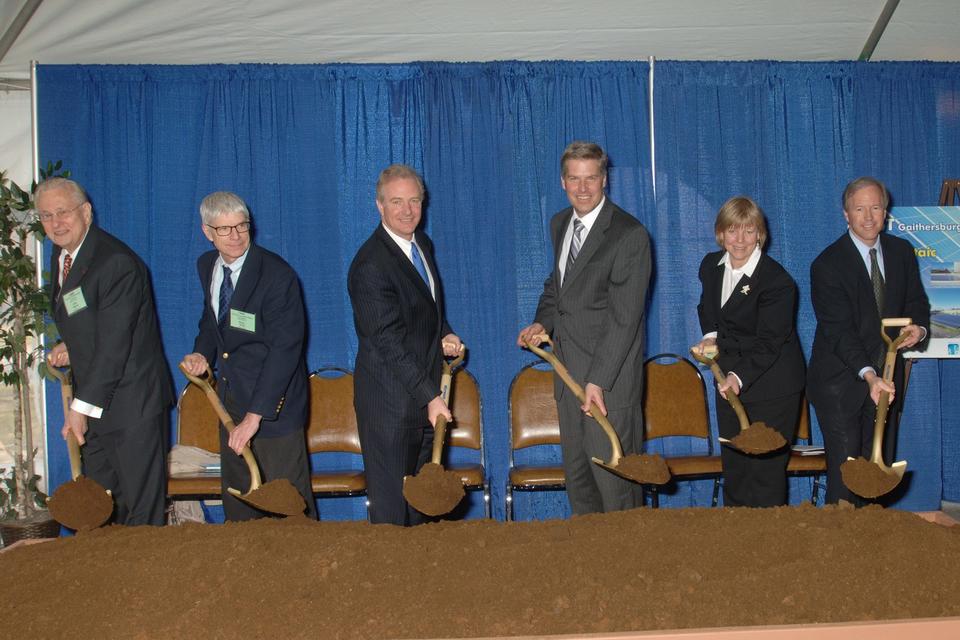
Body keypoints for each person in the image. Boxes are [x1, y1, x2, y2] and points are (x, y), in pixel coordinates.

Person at [517, 141, 651, 515]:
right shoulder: (560, 223)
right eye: (574, 179)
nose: (583, 188)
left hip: (606, 387)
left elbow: (625, 320)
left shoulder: (629, 235)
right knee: (581, 487)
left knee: (616, 491)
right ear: (562, 182)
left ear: (604, 179)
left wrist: (597, 381)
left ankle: (628, 571)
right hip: (567, 381)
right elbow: (558, 286)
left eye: (591, 178)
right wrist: (541, 321)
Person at [41, 177, 172, 526]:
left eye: (63, 212)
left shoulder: (116, 263)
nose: (55, 223)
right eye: (46, 215)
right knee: (101, 509)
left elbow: (116, 344)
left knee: (141, 514)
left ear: (86, 212)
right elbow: (92, 316)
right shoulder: (63, 253)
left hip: (132, 405)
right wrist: (73, 343)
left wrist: (79, 409)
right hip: (97, 403)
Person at [180, 191, 316, 521]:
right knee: (240, 501)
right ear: (207, 232)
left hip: (274, 407)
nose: (236, 236)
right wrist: (201, 353)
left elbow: (286, 349)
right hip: (232, 400)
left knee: (288, 504)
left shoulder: (276, 275)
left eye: (242, 226)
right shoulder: (206, 266)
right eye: (224, 229)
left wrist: (255, 417)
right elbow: (213, 322)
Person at [348, 164, 462, 526]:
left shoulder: (421, 245)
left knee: (422, 509)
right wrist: (431, 397)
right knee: (393, 514)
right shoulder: (369, 264)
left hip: (422, 400)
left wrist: (443, 331)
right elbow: (387, 340)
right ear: (379, 206)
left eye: (414, 201)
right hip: (389, 408)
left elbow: (422, 310)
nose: (407, 210)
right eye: (396, 202)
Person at [808, 177, 930, 505]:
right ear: (846, 214)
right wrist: (869, 374)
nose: (868, 216)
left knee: (878, 473)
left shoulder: (902, 252)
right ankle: (840, 548)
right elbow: (839, 331)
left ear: (885, 211)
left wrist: (918, 329)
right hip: (841, 382)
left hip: (886, 380)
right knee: (848, 473)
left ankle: (872, 548)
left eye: (875, 207)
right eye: (859, 208)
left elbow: (916, 302)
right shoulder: (827, 264)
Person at [692, 197, 805, 507]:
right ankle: (737, 544)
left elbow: (770, 341)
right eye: (732, 231)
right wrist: (710, 337)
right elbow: (708, 309)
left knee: (765, 472)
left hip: (772, 386)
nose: (739, 240)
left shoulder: (777, 282)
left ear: (760, 235)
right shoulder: (710, 266)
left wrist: (738, 377)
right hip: (728, 381)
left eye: (749, 231)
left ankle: (771, 548)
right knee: (736, 468)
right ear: (720, 233)